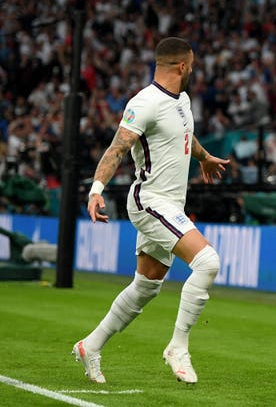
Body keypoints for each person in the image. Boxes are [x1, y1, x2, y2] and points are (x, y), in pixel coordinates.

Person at [72, 37, 230, 384]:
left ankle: (91, 345)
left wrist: (203, 158)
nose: (193, 71)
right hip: (149, 200)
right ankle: (178, 347)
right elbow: (117, 148)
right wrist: (96, 190)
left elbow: (184, 135)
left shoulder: (182, 100)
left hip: (171, 205)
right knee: (208, 262)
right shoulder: (144, 102)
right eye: (192, 65)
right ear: (183, 66)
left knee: (147, 285)